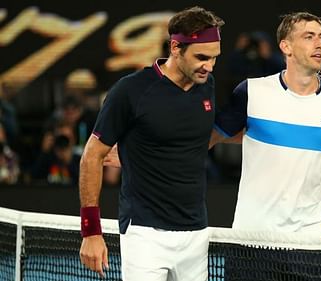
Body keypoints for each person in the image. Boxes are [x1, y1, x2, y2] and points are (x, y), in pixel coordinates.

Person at [210, 12, 321, 280]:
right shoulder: (252, 92)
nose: (319, 44)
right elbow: (208, 139)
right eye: (308, 37)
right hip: (250, 241)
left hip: (309, 245)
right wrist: (143, 156)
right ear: (286, 46)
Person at [78, 6, 224, 281]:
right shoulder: (130, 90)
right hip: (145, 234)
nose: (209, 66)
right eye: (202, 57)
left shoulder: (207, 85)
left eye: (215, 58)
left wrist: (139, 154)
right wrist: (91, 231)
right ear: (175, 47)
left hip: (196, 233)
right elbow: (91, 156)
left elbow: (193, 141)